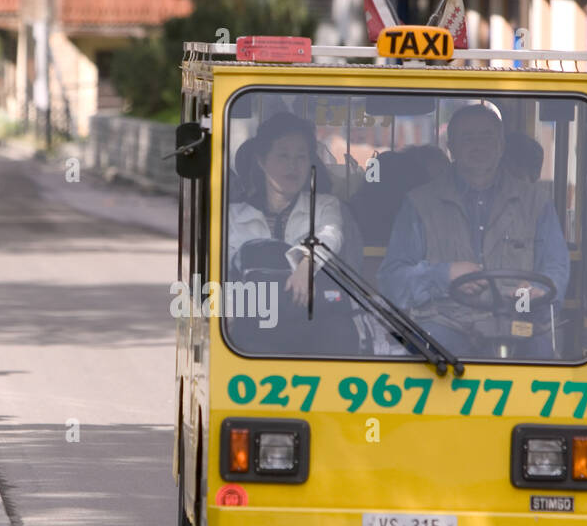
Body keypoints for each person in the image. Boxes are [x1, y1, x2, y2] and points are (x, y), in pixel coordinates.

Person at [379, 102, 569, 358]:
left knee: (544, 355)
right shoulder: (419, 203)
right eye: (467, 138)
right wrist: (444, 275)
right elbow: (392, 280)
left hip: (518, 319)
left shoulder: (537, 202)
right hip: (445, 324)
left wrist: (536, 292)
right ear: (451, 148)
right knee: (424, 355)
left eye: (487, 136)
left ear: (501, 146)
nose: (478, 146)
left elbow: (555, 270)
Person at [227, 111, 344, 306]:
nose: (293, 165)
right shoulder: (231, 216)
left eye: (301, 157)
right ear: (262, 161)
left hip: (311, 319)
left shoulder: (324, 206)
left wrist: (306, 263)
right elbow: (223, 276)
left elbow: (331, 235)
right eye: (283, 155)